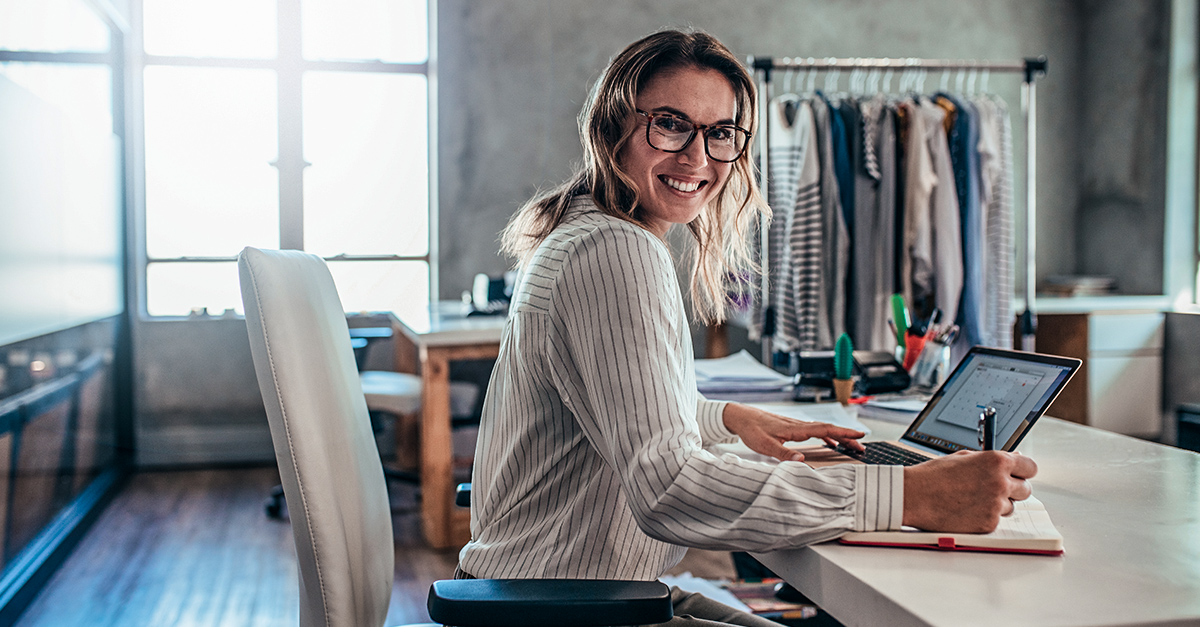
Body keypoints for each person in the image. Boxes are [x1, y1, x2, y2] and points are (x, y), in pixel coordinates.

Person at [458, 29, 1037, 626]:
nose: (697, 157)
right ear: (612, 128)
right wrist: (912, 495)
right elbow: (669, 489)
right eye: (670, 124)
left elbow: (615, 406)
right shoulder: (615, 251)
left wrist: (729, 417)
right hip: (566, 610)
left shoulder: (585, 232)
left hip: (569, 594)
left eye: (720, 133)